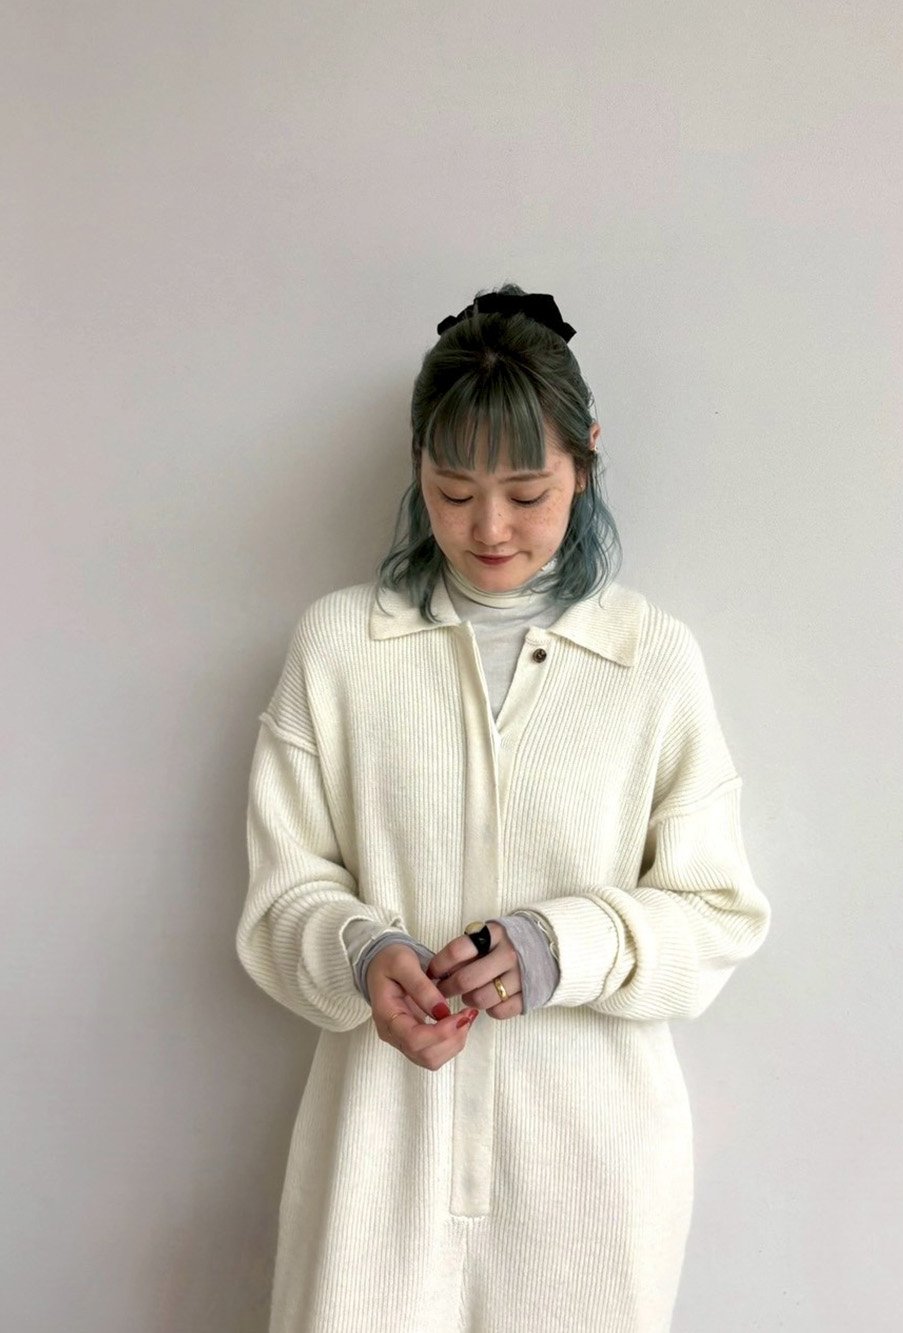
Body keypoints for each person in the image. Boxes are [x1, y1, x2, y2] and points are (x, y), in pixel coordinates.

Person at [236, 284, 772, 1332]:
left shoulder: (650, 661)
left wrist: (561, 944)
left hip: (591, 1182)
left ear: (586, 462)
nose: (488, 528)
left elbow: (716, 911)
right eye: (453, 491)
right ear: (417, 471)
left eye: (527, 493)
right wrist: (360, 949)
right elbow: (281, 892)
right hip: (378, 1166)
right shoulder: (340, 647)